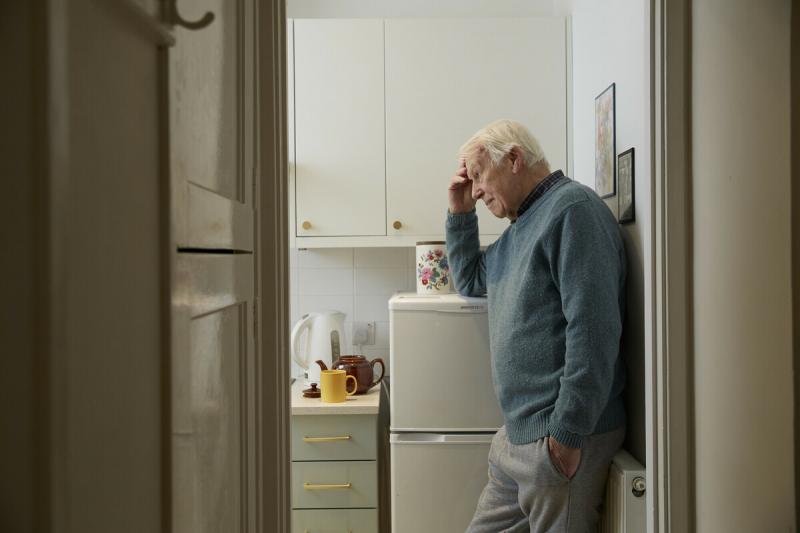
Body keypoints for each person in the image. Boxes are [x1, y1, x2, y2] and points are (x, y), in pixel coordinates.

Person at [446, 119, 627, 532]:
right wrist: (459, 212)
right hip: (517, 438)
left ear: (513, 159)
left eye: (478, 176)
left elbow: (594, 330)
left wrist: (566, 435)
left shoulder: (572, 211)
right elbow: (473, 279)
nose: (475, 189)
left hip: (560, 439)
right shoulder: (519, 230)